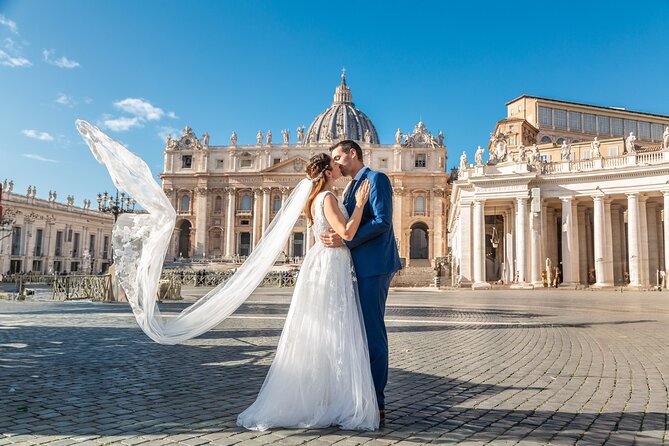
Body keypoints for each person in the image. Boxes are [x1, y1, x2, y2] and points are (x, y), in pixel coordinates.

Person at [238, 153, 379, 431]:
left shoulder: (318, 199)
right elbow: (348, 233)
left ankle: (323, 396)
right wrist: (361, 204)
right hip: (331, 263)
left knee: (324, 330)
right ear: (327, 172)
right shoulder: (326, 198)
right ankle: (330, 399)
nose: (340, 166)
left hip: (323, 262)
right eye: (335, 164)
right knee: (335, 329)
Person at [320, 139, 402, 424]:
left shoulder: (376, 178)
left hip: (375, 266)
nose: (336, 163)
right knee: (359, 332)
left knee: (372, 332)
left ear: (352, 154)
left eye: (338, 157)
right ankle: (362, 394)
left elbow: (382, 222)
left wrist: (345, 238)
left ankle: (377, 401)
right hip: (357, 266)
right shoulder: (352, 186)